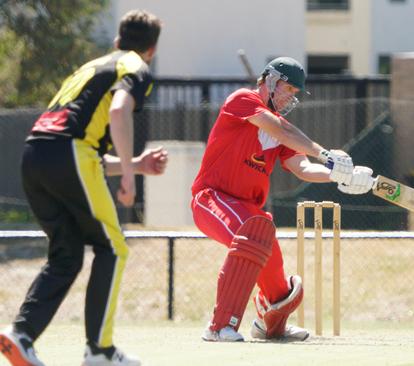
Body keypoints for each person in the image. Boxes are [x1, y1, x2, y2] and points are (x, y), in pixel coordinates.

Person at [0, 10, 166, 366]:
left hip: (35, 155)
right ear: (150, 49)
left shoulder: (90, 68)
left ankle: (21, 335)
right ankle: (100, 351)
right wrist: (128, 177)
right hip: (69, 154)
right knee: (114, 247)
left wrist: (133, 164)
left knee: (67, 253)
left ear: (117, 40)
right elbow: (119, 113)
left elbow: (79, 153)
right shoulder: (135, 66)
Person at [191, 56, 375, 342]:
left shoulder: (281, 130)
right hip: (212, 199)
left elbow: (302, 168)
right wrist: (324, 153)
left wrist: (339, 176)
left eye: (294, 93)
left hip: (249, 212)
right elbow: (279, 128)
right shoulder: (243, 100)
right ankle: (219, 327)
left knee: (273, 264)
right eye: (288, 89)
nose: (291, 97)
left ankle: (269, 324)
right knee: (252, 233)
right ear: (271, 79)